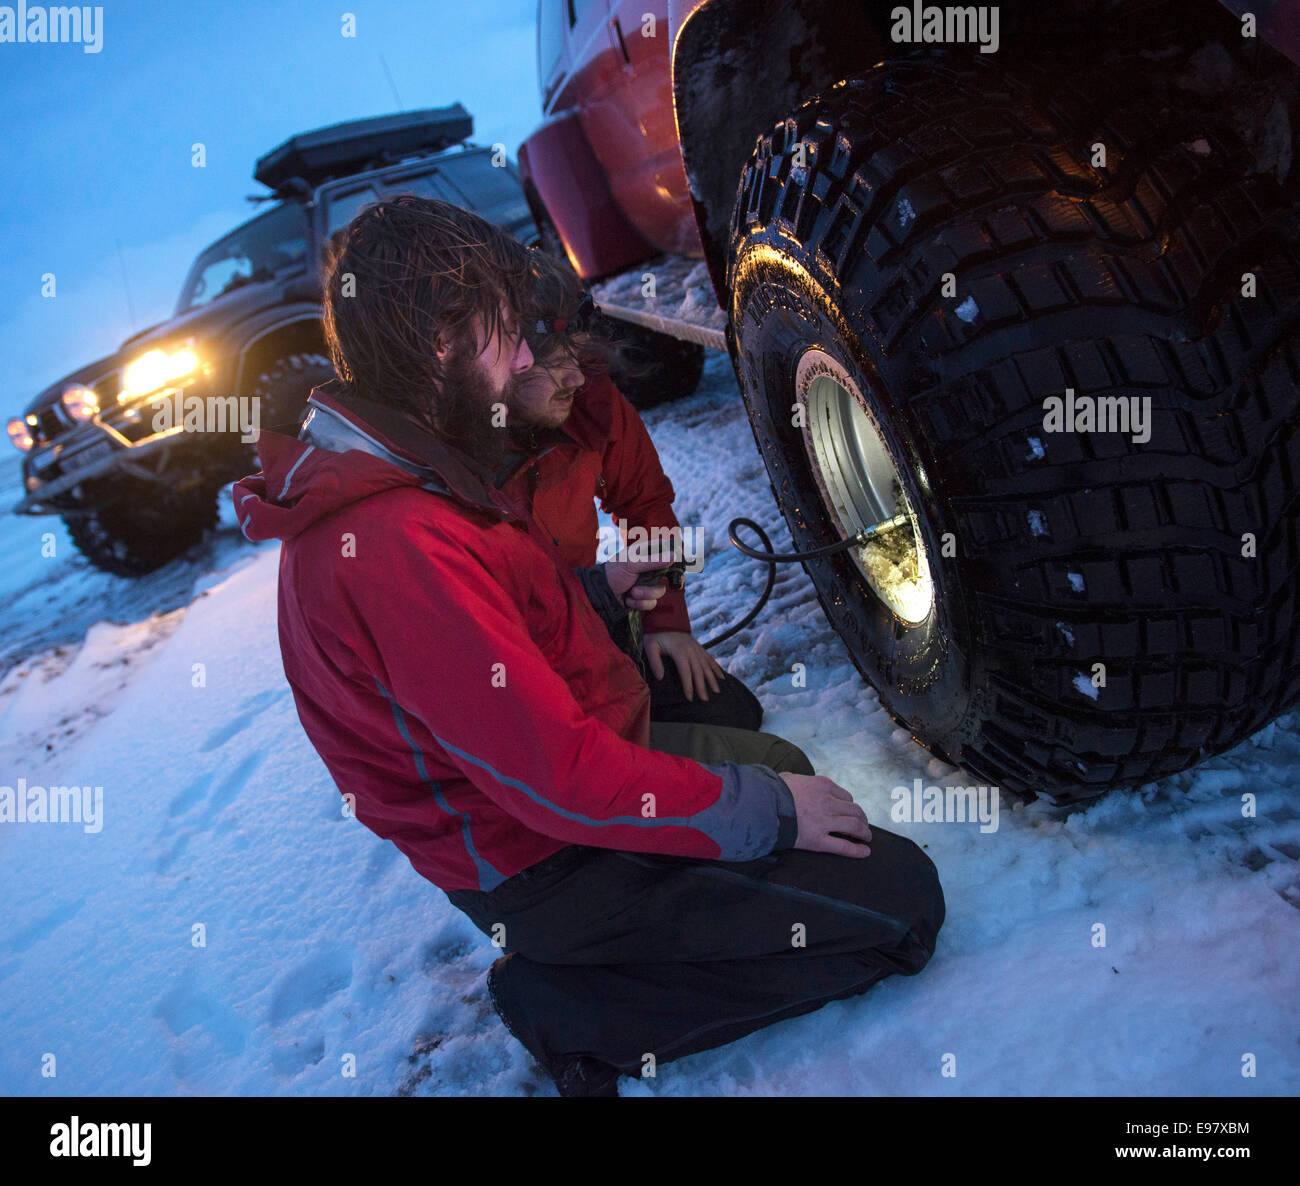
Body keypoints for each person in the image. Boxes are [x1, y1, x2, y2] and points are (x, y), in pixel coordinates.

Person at [232, 195, 945, 1097]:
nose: (532, 357)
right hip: (548, 864)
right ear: (444, 343)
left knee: (783, 767)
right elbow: (555, 781)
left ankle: (653, 915)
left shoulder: (419, 470)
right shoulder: (393, 542)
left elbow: (503, 657)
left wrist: (617, 609)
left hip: (574, 786)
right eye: (506, 334)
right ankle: (572, 1009)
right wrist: (766, 812)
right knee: (901, 903)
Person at [497, 251, 764, 731]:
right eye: (559, 361)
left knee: (728, 713)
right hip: (510, 657)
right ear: (505, 363)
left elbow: (644, 502)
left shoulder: (589, 398)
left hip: (588, 613)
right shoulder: (464, 451)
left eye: (580, 356)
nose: (578, 377)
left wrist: (666, 625)